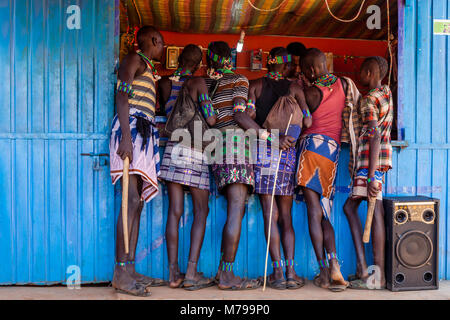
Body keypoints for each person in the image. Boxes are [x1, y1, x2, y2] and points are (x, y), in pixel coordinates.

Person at [234, 47, 311, 290]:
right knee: (286, 215)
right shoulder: (296, 89)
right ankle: (291, 271)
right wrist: (290, 136)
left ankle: (277, 272)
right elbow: (307, 119)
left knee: (270, 212)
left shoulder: (254, 85)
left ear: (268, 63)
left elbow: (246, 116)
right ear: (287, 66)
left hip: (263, 150)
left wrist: (268, 135)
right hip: (286, 151)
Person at [109, 26, 166, 296]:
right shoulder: (133, 59)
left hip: (143, 133)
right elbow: (121, 95)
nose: (163, 48)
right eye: (162, 43)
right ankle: (120, 271)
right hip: (130, 130)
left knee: (138, 202)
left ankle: (129, 267)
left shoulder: (147, 67)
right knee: (130, 200)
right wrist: (126, 137)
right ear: (154, 41)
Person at [158, 44, 217, 290]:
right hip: (194, 146)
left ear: (179, 58)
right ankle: (191, 272)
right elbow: (211, 116)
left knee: (175, 211)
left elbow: (165, 111)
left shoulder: (163, 83)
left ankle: (174, 273)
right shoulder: (199, 82)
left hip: (173, 147)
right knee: (201, 211)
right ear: (200, 63)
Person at [204, 41, 260, 290]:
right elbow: (239, 115)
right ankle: (227, 274)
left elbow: (215, 116)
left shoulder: (208, 85)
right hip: (235, 145)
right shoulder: (239, 79)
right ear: (231, 58)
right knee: (236, 209)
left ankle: (221, 270)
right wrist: (268, 136)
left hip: (216, 146)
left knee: (234, 208)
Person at [295, 48, 349, 292]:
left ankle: (324, 272)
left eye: (305, 70)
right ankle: (334, 261)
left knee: (313, 210)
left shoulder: (311, 92)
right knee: (325, 212)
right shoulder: (342, 84)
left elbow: (299, 117)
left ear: (312, 70)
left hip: (310, 148)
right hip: (332, 151)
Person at [343, 56, 393, 290]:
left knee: (351, 207)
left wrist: (371, 176)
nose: (358, 75)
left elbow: (373, 135)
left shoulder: (368, 100)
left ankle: (371, 274)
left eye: (362, 71)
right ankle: (372, 273)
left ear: (371, 72)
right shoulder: (386, 93)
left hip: (368, 163)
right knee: (376, 211)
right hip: (381, 161)